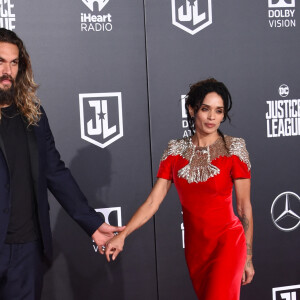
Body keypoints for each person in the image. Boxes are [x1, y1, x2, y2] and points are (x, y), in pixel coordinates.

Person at [0, 28, 124, 299]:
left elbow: (55, 173)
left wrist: (92, 223)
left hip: (25, 251)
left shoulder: (33, 115)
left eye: (13, 62)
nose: (6, 70)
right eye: (0, 61)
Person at [105, 78, 255, 300]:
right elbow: (152, 202)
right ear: (192, 109)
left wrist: (248, 257)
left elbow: (243, 208)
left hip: (228, 244)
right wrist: (123, 235)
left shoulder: (234, 149)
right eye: (206, 109)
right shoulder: (175, 150)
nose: (212, 117)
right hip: (196, 250)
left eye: (219, 111)